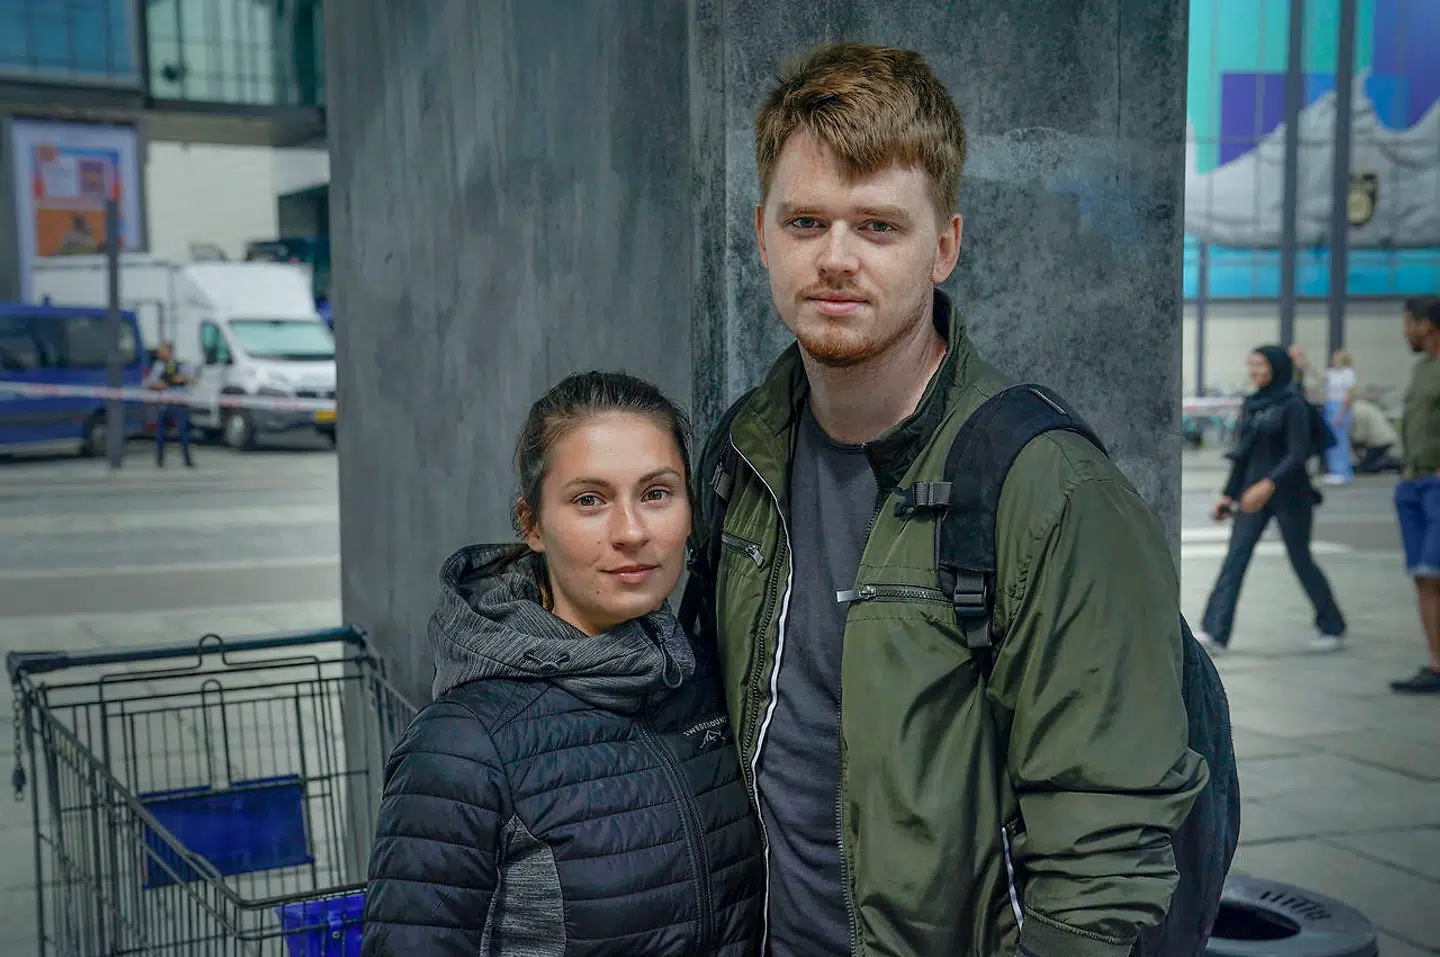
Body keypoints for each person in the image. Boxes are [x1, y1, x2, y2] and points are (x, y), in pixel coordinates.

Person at [685, 42, 1208, 957]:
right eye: (805, 222)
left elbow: (1104, 858)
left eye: (879, 226)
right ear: (761, 235)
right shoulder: (744, 453)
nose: (836, 258)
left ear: (945, 247)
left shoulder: (1048, 491)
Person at [361, 371, 763, 955]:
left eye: (656, 493)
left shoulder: (707, 678)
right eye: (589, 500)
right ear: (531, 525)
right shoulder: (461, 748)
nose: (631, 532)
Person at [1195, 346, 1347, 654]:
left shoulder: (1294, 405)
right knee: (1235, 557)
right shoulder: (1252, 404)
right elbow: (1243, 456)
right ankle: (1215, 632)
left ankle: (1332, 625)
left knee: (1300, 559)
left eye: (1260, 365)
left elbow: (1297, 454)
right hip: (1252, 494)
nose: (1254, 371)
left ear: (1276, 367)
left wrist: (1268, 484)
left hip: (1290, 494)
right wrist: (1227, 494)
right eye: (1250, 365)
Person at [1391, 297, 1440, 694]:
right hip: (1413, 485)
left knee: (1435, 574)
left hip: (1435, 486)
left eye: (1408, 322)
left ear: (1426, 325)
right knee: (1425, 578)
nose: (1405, 330)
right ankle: (1436, 664)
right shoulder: (1422, 368)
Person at [145, 341, 194, 468]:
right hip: (164, 403)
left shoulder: (182, 365)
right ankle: (160, 460)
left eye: (162, 350)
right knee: (161, 434)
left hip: (179, 403)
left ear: (169, 351)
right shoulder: (158, 366)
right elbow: (150, 382)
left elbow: (190, 379)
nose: (159, 353)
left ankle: (187, 459)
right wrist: (160, 384)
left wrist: (181, 379)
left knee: (184, 433)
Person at [1323, 347, 1356, 485]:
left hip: (1340, 407)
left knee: (1341, 441)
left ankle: (1343, 471)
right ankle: (1334, 469)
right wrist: (1305, 363)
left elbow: (1348, 395)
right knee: (1331, 440)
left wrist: (1341, 414)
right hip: (1330, 405)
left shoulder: (1348, 373)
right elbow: (1319, 376)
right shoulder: (1332, 373)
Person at [1350, 387, 1401, 474]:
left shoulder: (1356, 410)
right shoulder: (1363, 405)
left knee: (1368, 468)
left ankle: (1394, 464)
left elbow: (1361, 434)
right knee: (1370, 460)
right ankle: (1386, 461)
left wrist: (1351, 441)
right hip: (1386, 438)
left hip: (1379, 441)